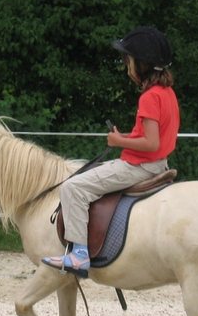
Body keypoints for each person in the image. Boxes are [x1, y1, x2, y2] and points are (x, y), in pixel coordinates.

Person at [42, 26, 180, 278]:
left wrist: (118, 142)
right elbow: (154, 140)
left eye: (129, 61)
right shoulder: (167, 93)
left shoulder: (149, 97)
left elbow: (150, 143)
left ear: (142, 65)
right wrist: (126, 137)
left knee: (72, 188)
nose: (127, 67)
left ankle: (79, 255)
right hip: (157, 163)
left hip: (139, 167)